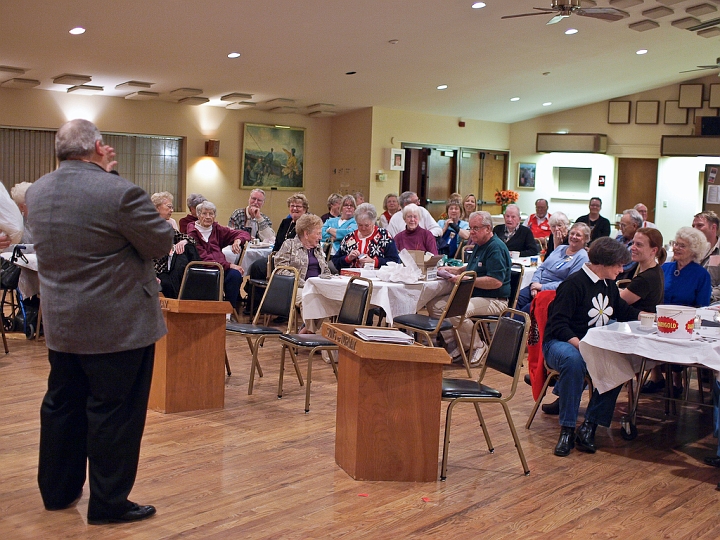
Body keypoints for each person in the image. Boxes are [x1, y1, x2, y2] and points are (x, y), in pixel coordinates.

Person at [28, 118, 174, 524]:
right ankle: (108, 502)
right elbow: (159, 242)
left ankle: (57, 491)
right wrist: (111, 176)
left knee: (62, 406)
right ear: (97, 146)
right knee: (114, 413)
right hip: (117, 325)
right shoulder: (118, 191)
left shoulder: (38, 191)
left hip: (62, 321)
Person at [542, 237, 641, 457]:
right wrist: (584, 347)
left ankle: (589, 426)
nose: (621, 269)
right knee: (574, 362)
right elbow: (558, 325)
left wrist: (648, 318)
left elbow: (623, 311)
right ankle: (567, 429)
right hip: (561, 343)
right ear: (604, 263)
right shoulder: (573, 284)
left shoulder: (608, 285)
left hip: (590, 345)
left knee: (619, 364)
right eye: (618, 265)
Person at [427, 211, 511, 366]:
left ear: (487, 228)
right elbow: (476, 266)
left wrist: (467, 280)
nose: (471, 232)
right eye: (471, 228)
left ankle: (478, 347)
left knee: (457, 311)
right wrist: (457, 270)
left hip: (495, 299)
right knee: (435, 306)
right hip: (477, 295)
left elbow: (496, 282)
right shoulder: (479, 244)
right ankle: (455, 346)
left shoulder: (495, 247)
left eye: (476, 228)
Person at [245, 193, 308, 315]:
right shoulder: (286, 222)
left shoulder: (306, 224)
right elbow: (277, 244)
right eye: (292, 205)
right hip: (280, 258)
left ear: (305, 209)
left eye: (298, 206)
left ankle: (277, 309)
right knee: (256, 266)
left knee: (259, 267)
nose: (294, 208)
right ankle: (256, 307)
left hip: (295, 261)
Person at [187, 200, 250, 311]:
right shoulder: (192, 231)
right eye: (204, 213)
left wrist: (237, 241)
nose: (208, 217)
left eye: (211, 214)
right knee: (228, 272)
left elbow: (244, 233)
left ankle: (228, 312)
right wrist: (229, 265)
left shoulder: (217, 229)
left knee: (235, 275)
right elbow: (204, 258)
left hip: (221, 268)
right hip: (202, 268)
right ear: (198, 215)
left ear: (215, 216)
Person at [274, 214, 331, 333]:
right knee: (310, 298)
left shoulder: (317, 248)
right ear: (306, 234)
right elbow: (280, 270)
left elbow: (325, 269)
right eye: (318, 233)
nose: (320, 237)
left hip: (316, 287)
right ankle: (309, 333)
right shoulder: (289, 245)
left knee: (329, 299)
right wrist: (303, 283)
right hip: (294, 287)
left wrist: (327, 278)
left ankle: (306, 331)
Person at [516, 222, 590, 312]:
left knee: (527, 310)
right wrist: (534, 284)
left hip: (552, 292)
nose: (574, 237)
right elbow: (541, 268)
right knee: (515, 301)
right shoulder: (560, 248)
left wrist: (542, 287)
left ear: (586, 239)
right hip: (536, 285)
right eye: (572, 233)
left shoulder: (582, 257)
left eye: (578, 235)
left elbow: (568, 284)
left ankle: (516, 325)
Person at [151, 191, 198, 298]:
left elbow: (191, 239)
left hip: (164, 271)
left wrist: (184, 241)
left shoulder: (167, 227)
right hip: (147, 271)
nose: (172, 210)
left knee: (189, 248)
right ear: (157, 208)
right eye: (169, 207)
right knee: (168, 285)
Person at [332, 203, 400, 270]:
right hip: (350, 279)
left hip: (376, 279)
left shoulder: (385, 236)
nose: (363, 228)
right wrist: (348, 258)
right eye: (360, 225)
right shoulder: (349, 238)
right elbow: (335, 262)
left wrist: (374, 262)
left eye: (367, 225)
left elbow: (395, 262)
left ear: (373, 222)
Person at [617, 228, 666, 313]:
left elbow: (617, 302)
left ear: (654, 250)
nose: (632, 247)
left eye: (639, 245)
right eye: (633, 243)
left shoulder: (645, 278)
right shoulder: (656, 269)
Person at [693, 210, 720, 303]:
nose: (695, 229)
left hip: (712, 301)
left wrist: (704, 294)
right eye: (693, 226)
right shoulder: (691, 250)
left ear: (713, 227)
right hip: (689, 298)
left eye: (700, 225)